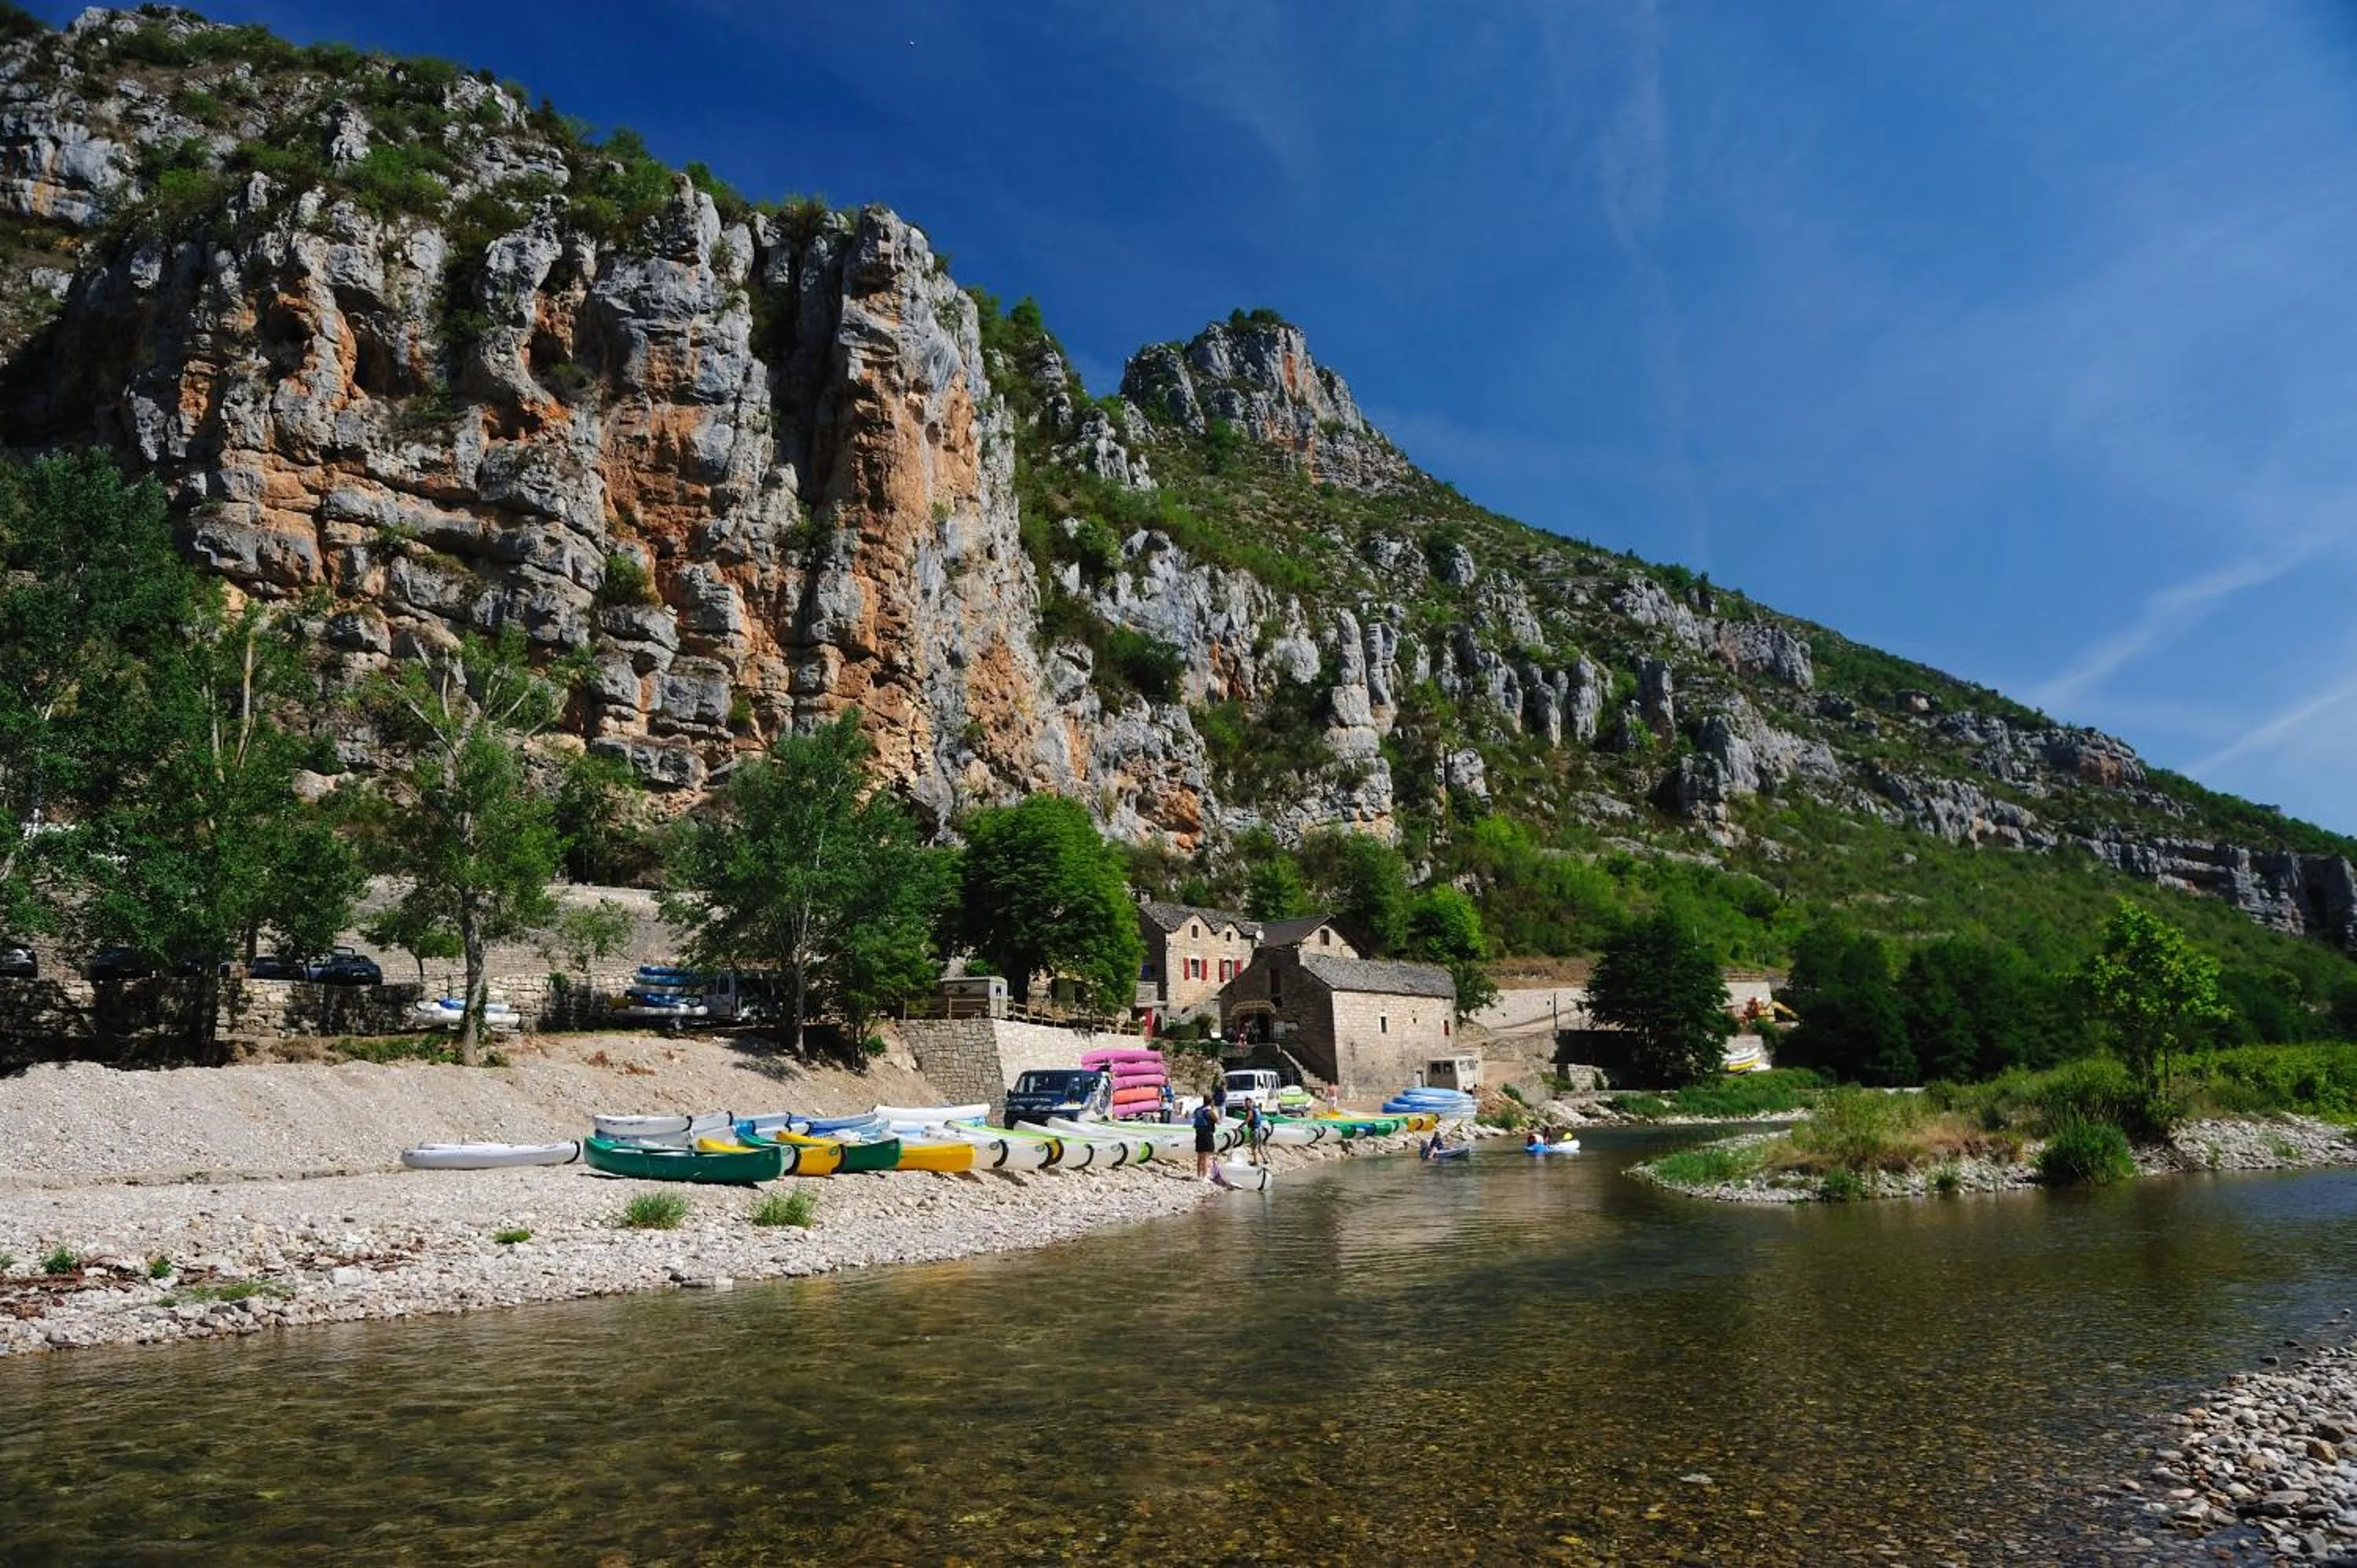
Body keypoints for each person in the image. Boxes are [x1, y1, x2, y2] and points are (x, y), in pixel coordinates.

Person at [1193, 1095, 1221, 1181]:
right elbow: (1218, 1121)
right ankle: (1204, 1176)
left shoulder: (1198, 1110)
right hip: (1207, 1134)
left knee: (1200, 1156)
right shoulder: (1210, 1112)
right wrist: (1215, 1109)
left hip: (1198, 1134)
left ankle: (1199, 1175)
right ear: (1211, 1102)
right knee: (1206, 1156)